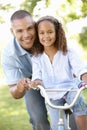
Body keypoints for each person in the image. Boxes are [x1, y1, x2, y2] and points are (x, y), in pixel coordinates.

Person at [30, 16, 87, 130]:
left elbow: (79, 67)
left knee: (80, 109)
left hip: (70, 89)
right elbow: (37, 75)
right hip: (51, 93)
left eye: (50, 32)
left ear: (57, 33)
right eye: (42, 33)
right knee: (57, 125)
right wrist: (37, 82)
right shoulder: (36, 57)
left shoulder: (67, 51)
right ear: (37, 35)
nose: (46, 36)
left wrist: (85, 76)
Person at [1, 10, 50, 130]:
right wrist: (19, 87)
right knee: (38, 119)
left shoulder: (46, 37)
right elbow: (14, 92)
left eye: (29, 28)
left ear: (35, 25)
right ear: (12, 32)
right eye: (19, 31)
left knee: (69, 113)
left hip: (53, 76)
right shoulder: (9, 54)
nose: (26, 35)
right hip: (30, 83)